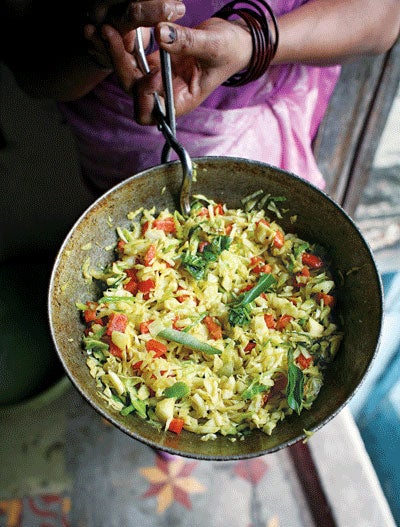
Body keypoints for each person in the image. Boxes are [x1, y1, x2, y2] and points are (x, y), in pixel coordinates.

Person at [1, 0, 399, 196]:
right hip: (133, 130)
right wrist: (99, 44)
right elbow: (34, 71)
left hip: (291, 81)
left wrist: (251, 44)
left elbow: (383, 16)